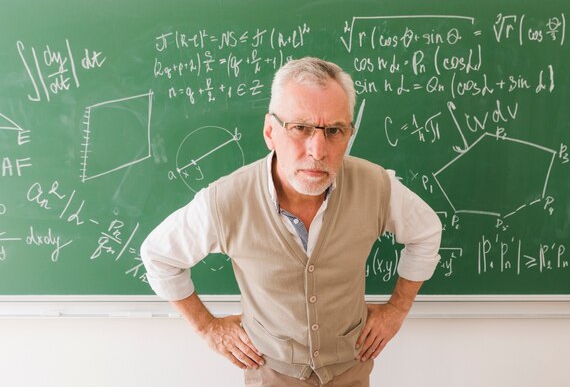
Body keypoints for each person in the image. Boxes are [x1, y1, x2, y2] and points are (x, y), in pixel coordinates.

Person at [140, 56, 442, 386]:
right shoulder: (226, 200)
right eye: (300, 128)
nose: (317, 149)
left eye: (335, 131)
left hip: (351, 371)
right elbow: (159, 257)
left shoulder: (376, 185)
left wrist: (397, 310)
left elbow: (426, 233)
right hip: (271, 374)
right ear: (271, 131)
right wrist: (207, 328)